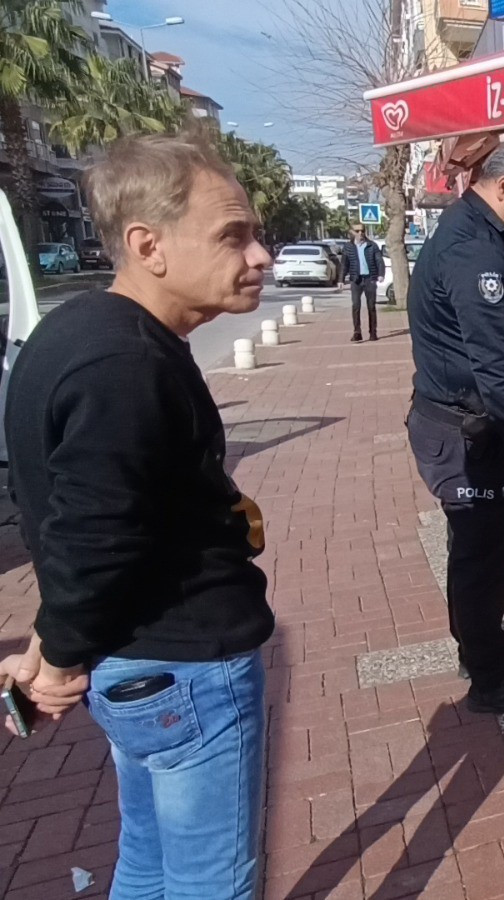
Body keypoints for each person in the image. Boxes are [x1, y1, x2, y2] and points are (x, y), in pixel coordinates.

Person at [3, 131, 277, 897]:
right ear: (146, 244)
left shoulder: (87, 333)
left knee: (151, 866)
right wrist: (55, 662)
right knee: (209, 883)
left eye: (255, 235)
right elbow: (94, 535)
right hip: (183, 664)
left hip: (138, 664)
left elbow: (71, 516)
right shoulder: (122, 361)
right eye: (233, 235)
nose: (260, 256)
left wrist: (51, 644)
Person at [407, 139, 504, 719]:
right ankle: (488, 677)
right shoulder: (471, 249)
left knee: (490, 546)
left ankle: (485, 644)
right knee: (480, 553)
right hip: (466, 432)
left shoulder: (486, 233)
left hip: (473, 421)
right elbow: (487, 359)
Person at [345, 224, 386, 342]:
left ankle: (373, 332)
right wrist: (340, 280)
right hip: (356, 279)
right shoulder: (348, 247)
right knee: (356, 306)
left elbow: (379, 261)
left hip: (370, 279)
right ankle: (357, 332)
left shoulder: (372, 245)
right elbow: (344, 263)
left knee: (371, 306)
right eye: (357, 231)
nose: (360, 233)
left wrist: (381, 274)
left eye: (362, 231)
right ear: (352, 232)